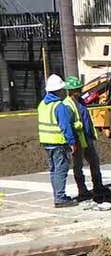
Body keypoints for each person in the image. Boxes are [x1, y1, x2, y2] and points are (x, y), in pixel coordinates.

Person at [37, 74, 78, 208]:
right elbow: (65, 126)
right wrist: (72, 142)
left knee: (54, 170)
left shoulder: (42, 104)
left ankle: (58, 195)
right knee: (61, 169)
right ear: (59, 90)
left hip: (46, 142)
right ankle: (60, 197)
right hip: (58, 143)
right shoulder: (59, 106)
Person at [64, 76, 107, 201]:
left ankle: (98, 186)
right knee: (78, 165)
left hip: (86, 136)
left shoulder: (81, 101)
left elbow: (86, 118)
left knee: (94, 161)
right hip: (77, 139)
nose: (80, 90)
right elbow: (67, 124)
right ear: (71, 91)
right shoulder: (67, 105)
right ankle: (82, 190)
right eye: (78, 88)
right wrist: (71, 141)